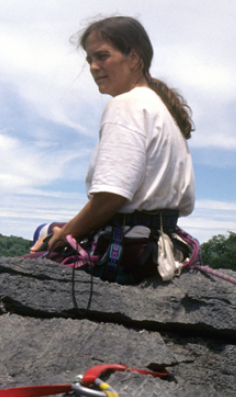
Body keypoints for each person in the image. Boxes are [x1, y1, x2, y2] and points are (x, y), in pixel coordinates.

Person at [27, 16, 197, 283]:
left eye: (102, 56)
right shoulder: (161, 108)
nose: (94, 67)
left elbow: (110, 197)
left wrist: (65, 237)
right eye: (89, 60)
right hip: (160, 247)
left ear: (133, 58)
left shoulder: (126, 105)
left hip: (130, 252)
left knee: (40, 248)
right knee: (45, 230)